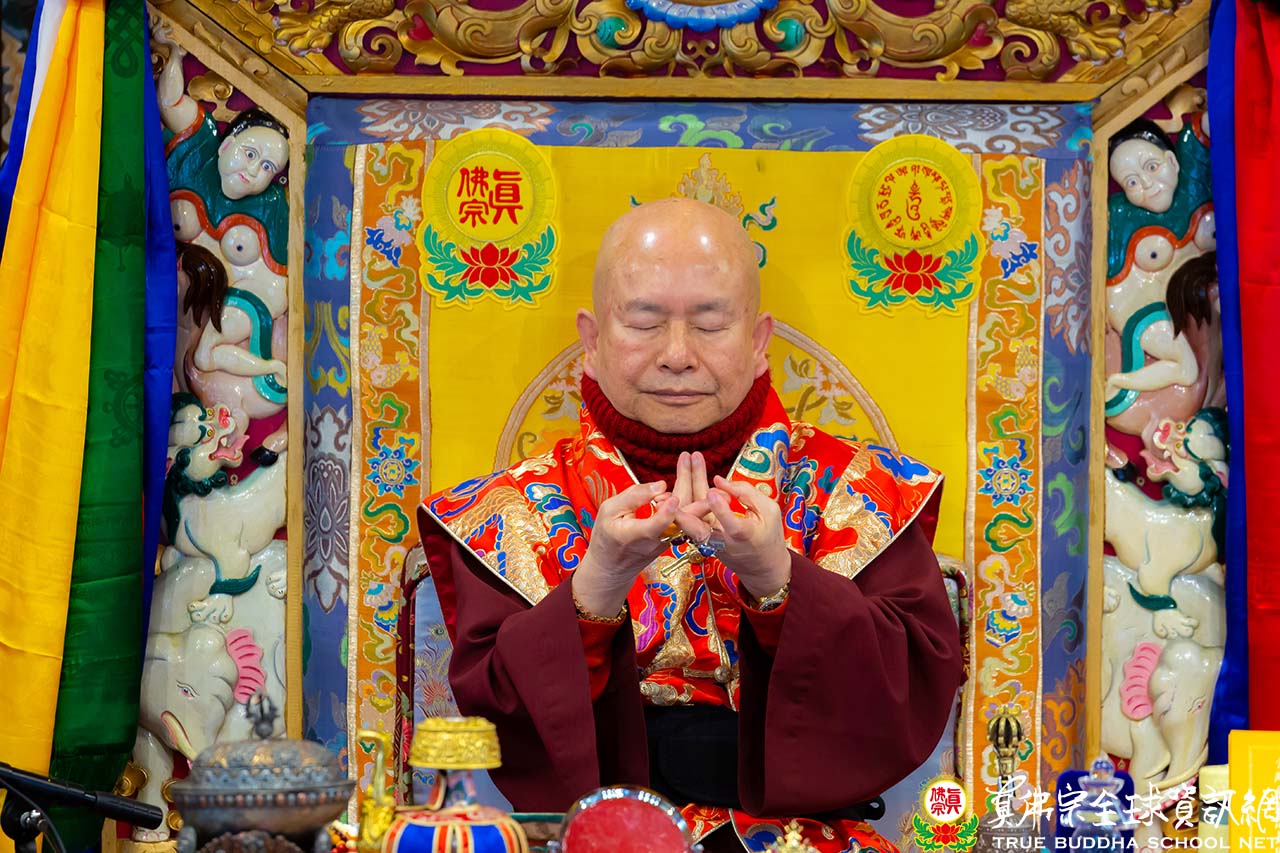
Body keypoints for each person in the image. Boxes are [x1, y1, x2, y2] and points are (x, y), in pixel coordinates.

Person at [415, 198, 964, 852]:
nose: (677, 355)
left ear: (758, 341)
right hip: (595, 837)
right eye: (644, 321)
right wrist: (595, 590)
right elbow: (497, 720)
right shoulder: (513, 510)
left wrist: (779, 582)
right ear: (592, 340)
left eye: (710, 323)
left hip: (804, 837)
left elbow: (913, 690)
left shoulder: (859, 490)